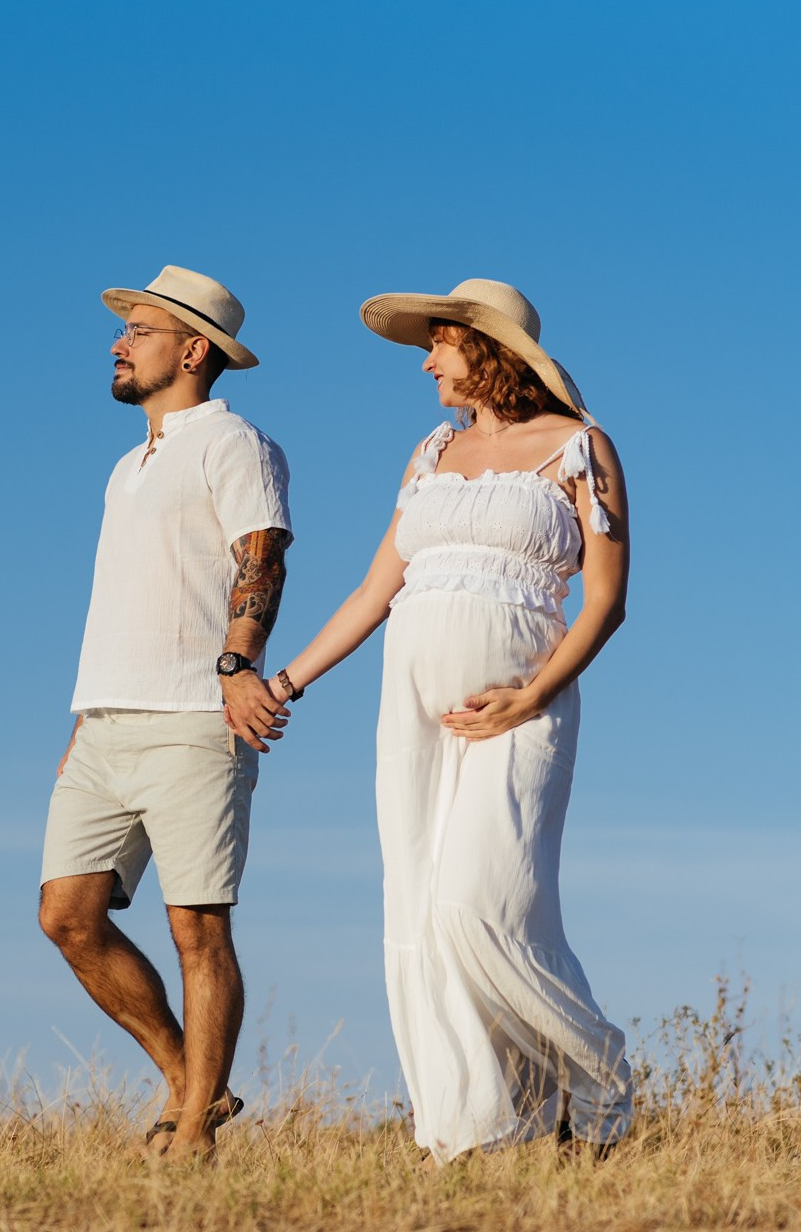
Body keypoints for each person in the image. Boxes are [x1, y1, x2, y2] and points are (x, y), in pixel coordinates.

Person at [269, 278, 633, 1162]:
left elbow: (606, 601)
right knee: (422, 912)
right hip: (412, 704)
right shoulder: (430, 451)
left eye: (440, 343)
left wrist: (535, 693)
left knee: (481, 901)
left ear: (491, 348)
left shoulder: (582, 448)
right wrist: (284, 682)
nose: (426, 360)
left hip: (518, 706)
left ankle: (599, 1079)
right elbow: (373, 591)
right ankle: (470, 1135)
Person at [37, 264, 294, 1161]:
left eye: (137, 331)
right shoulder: (124, 465)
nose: (118, 342)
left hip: (194, 719)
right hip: (105, 723)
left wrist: (238, 664)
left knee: (198, 925)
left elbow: (261, 555)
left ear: (191, 350)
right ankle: (193, 1082)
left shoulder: (234, 443)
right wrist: (84, 716)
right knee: (66, 914)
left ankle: (189, 1138)